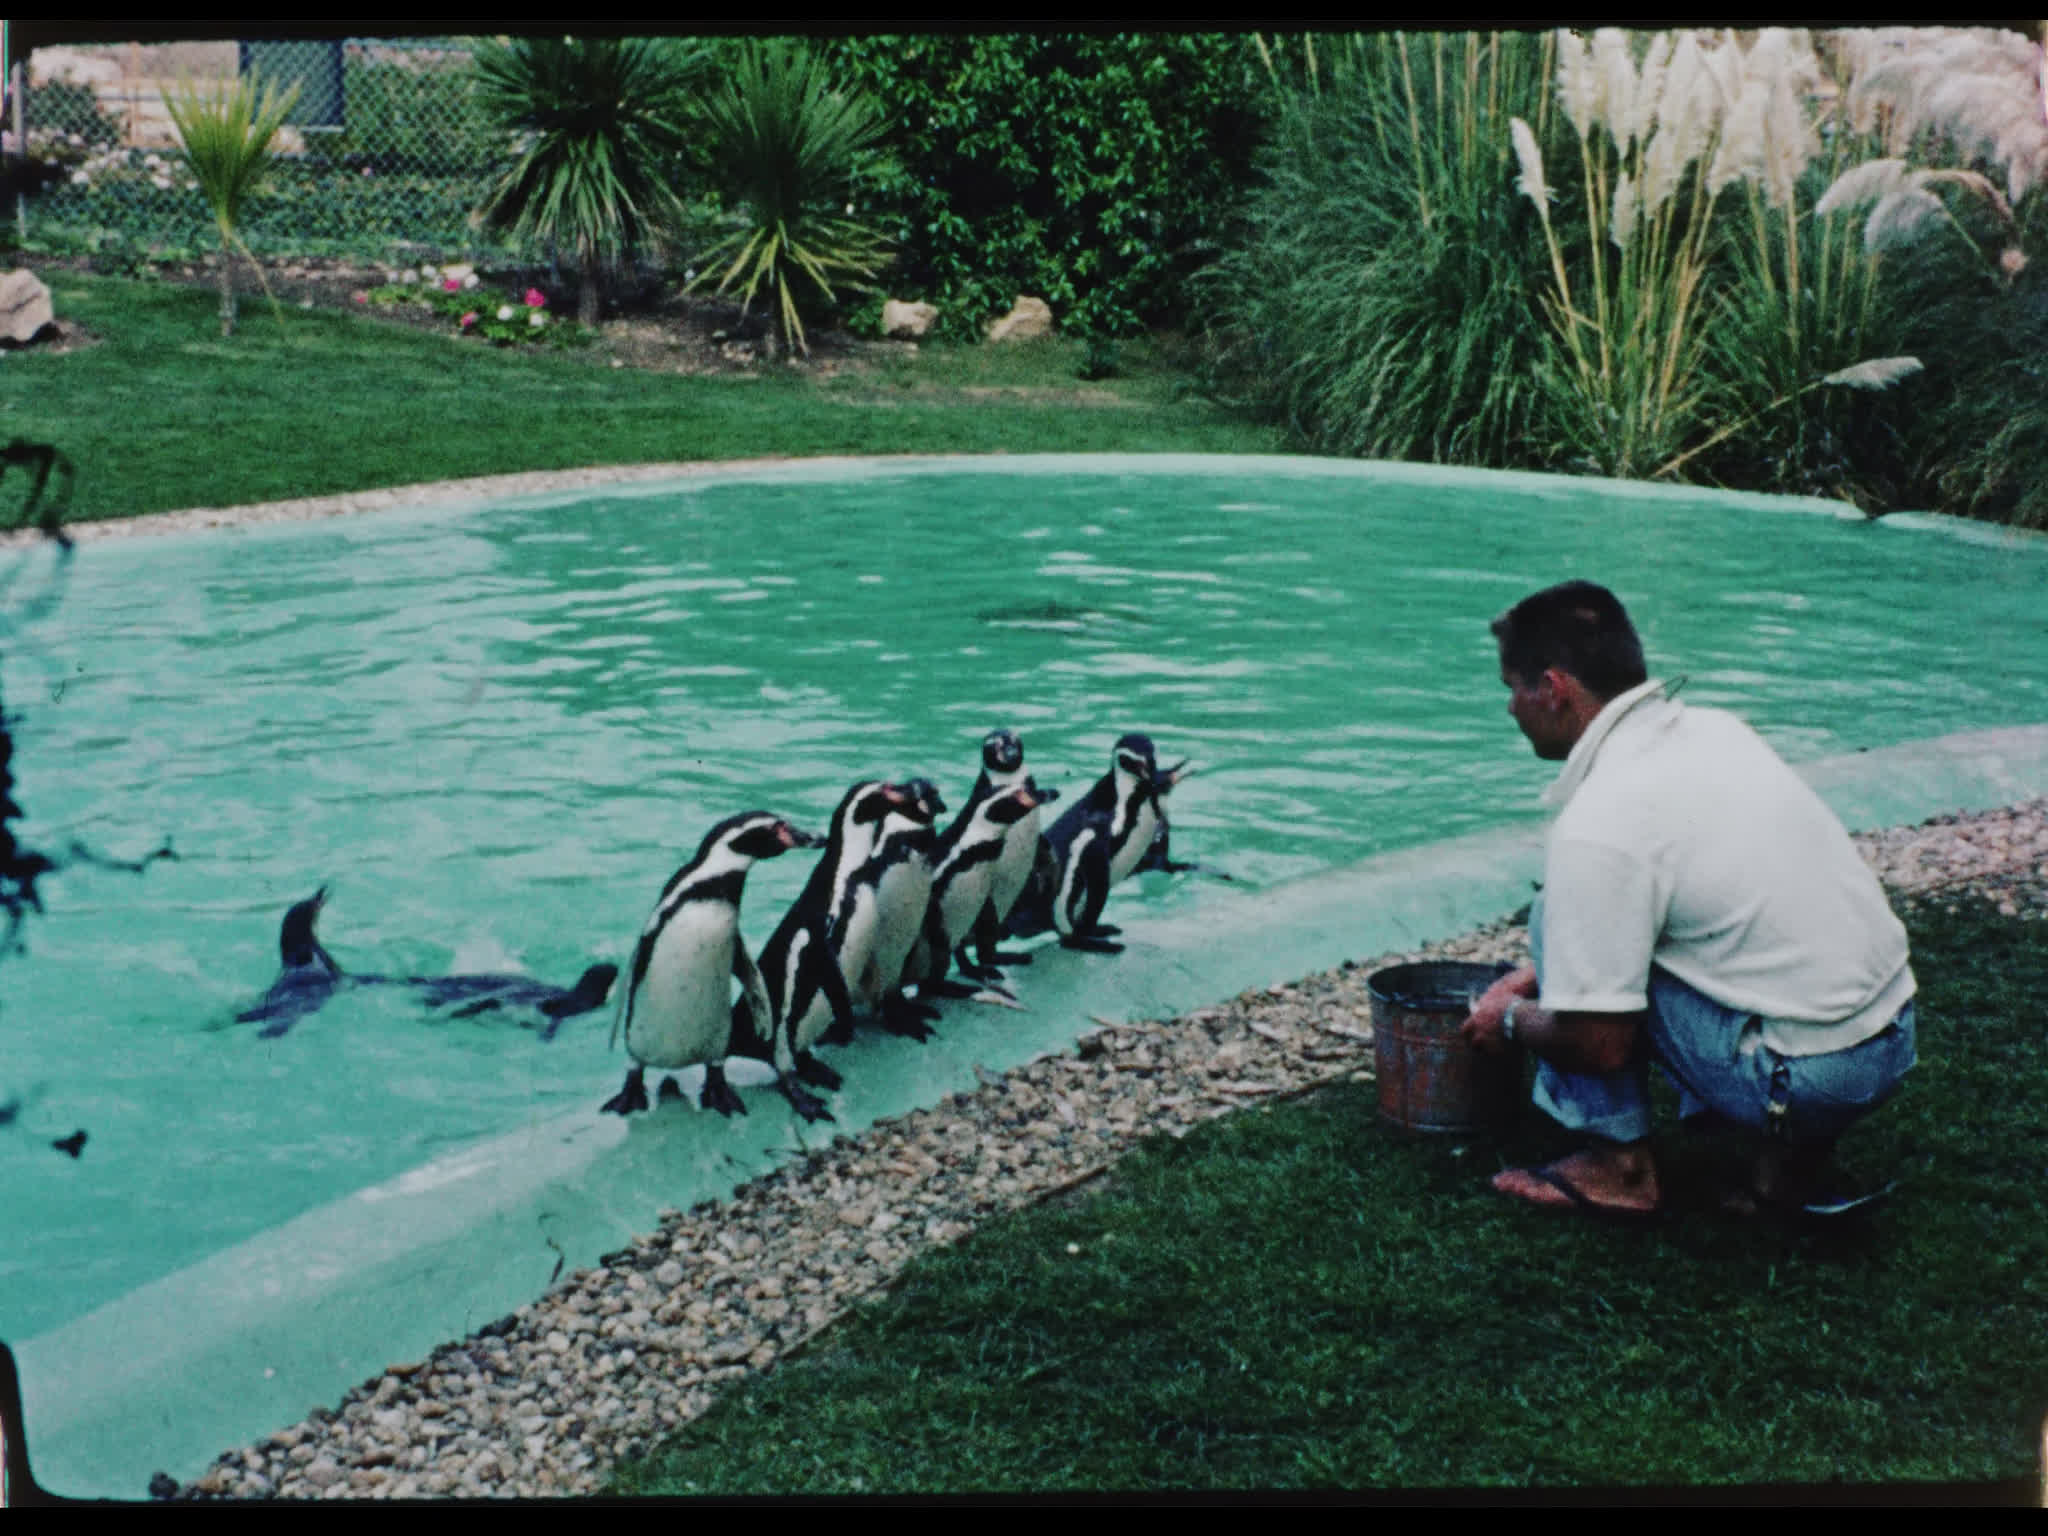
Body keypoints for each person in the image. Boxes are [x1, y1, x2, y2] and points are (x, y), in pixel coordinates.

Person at [1461, 580, 1918, 1220]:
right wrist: (1529, 981)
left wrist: (1506, 1019)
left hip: (1807, 1078)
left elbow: (1599, 1043)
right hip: (1891, 1037)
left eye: (1513, 687)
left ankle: (1618, 1168)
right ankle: (1785, 1164)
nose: (1511, 707)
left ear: (1555, 690)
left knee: (1555, 914)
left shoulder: (1601, 821)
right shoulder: (1715, 732)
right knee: (1627, 929)